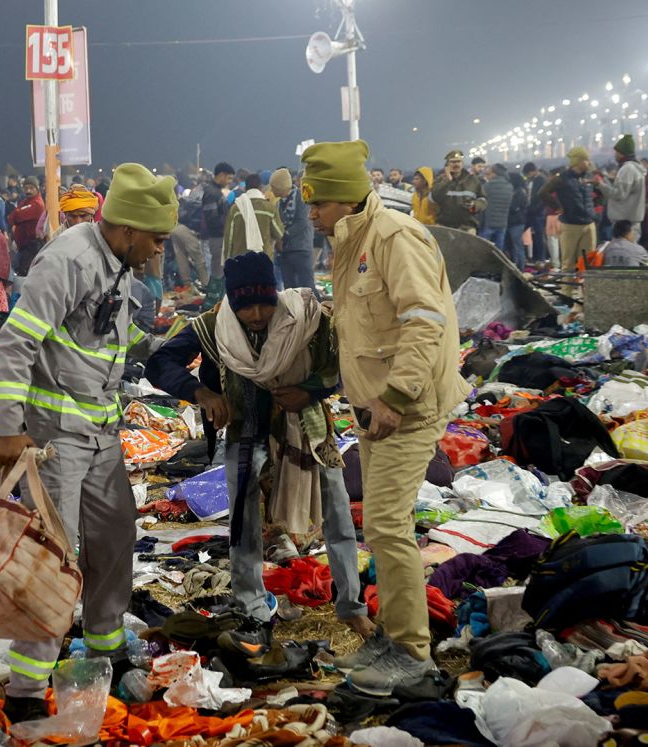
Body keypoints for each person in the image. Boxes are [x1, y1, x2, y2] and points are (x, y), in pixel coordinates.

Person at [0, 163, 176, 722]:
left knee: (116, 541)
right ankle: (25, 690)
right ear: (126, 230)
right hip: (54, 444)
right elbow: (12, 346)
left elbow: (105, 340)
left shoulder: (118, 266)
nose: (160, 250)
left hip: (100, 437)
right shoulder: (68, 259)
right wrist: (8, 431)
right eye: (156, 239)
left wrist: (180, 337)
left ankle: (103, 648)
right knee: (54, 560)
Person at [301, 140, 467, 696]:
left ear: (344, 199)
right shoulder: (352, 242)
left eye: (317, 202)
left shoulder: (395, 237)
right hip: (376, 407)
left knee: (389, 528)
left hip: (408, 406)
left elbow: (426, 321)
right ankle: (392, 637)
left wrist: (396, 396)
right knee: (379, 524)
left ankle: (411, 655)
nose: (311, 213)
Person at [145, 251, 370, 654]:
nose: (256, 314)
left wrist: (310, 391)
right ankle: (251, 606)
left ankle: (351, 604)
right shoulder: (215, 326)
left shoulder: (307, 319)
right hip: (245, 434)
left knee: (336, 510)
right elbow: (159, 363)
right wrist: (203, 393)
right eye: (245, 304)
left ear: (277, 294)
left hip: (307, 432)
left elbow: (341, 365)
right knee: (244, 524)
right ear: (231, 301)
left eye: (265, 302)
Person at [539, 147, 596, 276]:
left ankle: (586, 293)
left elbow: (598, 193)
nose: (589, 162)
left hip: (589, 224)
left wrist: (592, 209)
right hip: (570, 224)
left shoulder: (589, 177)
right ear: (578, 161)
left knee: (589, 264)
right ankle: (567, 292)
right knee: (568, 263)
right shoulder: (562, 178)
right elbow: (543, 193)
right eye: (587, 160)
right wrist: (557, 206)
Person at [271, 168, 315, 292]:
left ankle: (316, 310)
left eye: (273, 187)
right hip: (285, 251)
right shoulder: (279, 203)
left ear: (280, 187)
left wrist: (282, 236)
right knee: (289, 288)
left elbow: (303, 222)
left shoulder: (302, 197)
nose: (271, 190)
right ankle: (294, 311)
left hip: (301, 248)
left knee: (307, 286)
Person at [224, 173, 283, 261]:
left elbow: (229, 237)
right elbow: (279, 233)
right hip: (263, 260)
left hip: (240, 260)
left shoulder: (235, 209)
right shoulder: (270, 208)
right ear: (261, 188)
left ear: (245, 188)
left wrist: (227, 260)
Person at [599, 135, 646, 239]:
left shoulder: (627, 169)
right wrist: (607, 179)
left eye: (616, 152)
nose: (615, 155)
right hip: (631, 221)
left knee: (625, 252)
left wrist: (599, 184)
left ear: (622, 153)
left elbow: (619, 194)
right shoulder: (635, 168)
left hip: (625, 224)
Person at [201, 162, 234, 309]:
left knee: (221, 273)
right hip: (217, 238)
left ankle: (217, 306)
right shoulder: (212, 193)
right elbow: (212, 218)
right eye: (228, 178)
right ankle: (210, 308)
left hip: (221, 237)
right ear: (221, 175)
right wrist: (228, 219)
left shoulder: (216, 191)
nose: (229, 182)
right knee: (217, 274)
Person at [429, 150, 486, 232]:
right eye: (453, 162)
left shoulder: (473, 180)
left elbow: (483, 199)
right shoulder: (440, 180)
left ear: (462, 164)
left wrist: (475, 205)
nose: (456, 164)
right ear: (447, 165)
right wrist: (447, 180)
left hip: (467, 227)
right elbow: (433, 198)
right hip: (444, 227)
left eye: (458, 161)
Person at [9, 176, 45, 275]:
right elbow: (11, 218)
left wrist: (17, 213)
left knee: (21, 273)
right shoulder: (25, 202)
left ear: (37, 188)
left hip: (30, 247)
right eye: (26, 188)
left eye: (31, 188)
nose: (28, 190)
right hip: (23, 247)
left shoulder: (37, 204)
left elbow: (15, 216)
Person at [479, 164, 513, 247]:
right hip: (503, 222)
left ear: (494, 174)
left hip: (489, 222)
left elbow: (482, 203)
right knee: (499, 247)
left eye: (489, 174)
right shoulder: (509, 186)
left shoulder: (487, 186)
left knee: (483, 246)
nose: (487, 176)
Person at [523, 162, 548, 268]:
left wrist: (535, 209)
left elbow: (541, 197)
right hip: (531, 211)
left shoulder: (541, 180)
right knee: (536, 235)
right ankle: (536, 257)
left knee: (539, 236)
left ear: (532, 171)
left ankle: (541, 258)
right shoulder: (532, 180)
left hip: (537, 212)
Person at [505, 171, 529, 269]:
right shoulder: (517, 191)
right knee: (514, 246)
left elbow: (514, 207)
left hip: (517, 223)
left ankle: (520, 267)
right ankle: (516, 265)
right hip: (513, 222)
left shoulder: (519, 192)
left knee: (518, 246)